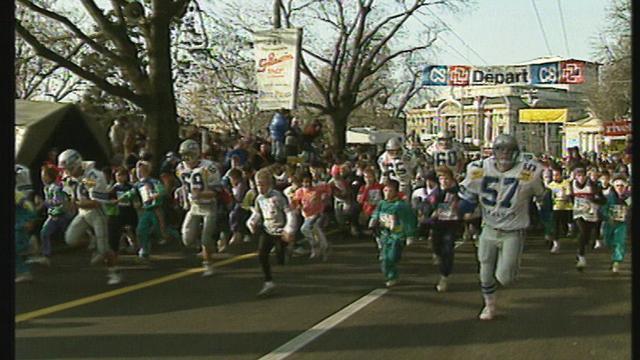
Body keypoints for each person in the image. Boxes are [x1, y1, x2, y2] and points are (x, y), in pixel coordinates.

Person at [458, 134, 546, 320]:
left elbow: (541, 197)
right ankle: (489, 306)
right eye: (500, 149)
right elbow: (468, 197)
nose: (504, 154)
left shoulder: (530, 171)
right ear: (494, 151)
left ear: (516, 153)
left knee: (505, 277)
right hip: (488, 228)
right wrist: (464, 209)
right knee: (485, 272)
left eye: (509, 150)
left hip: (513, 231)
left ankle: (509, 270)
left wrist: (541, 214)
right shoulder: (479, 168)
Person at [58, 149, 122, 285]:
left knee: (104, 249)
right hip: (83, 213)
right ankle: (93, 241)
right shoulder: (70, 178)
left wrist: (74, 203)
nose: (67, 172)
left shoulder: (91, 176)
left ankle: (114, 272)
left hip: (98, 213)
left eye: (69, 168)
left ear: (77, 165)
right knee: (70, 239)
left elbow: (95, 202)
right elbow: (70, 195)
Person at [246, 168, 298, 297]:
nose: (260, 188)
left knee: (280, 258)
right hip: (268, 230)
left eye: (262, 185)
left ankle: (288, 248)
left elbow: (289, 213)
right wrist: (251, 222)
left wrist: (289, 229)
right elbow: (258, 213)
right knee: (262, 254)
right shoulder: (259, 199)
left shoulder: (278, 197)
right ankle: (268, 281)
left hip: (280, 231)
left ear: (269, 184)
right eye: (258, 185)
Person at [175, 139, 223, 276]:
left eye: (189, 154)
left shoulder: (209, 167)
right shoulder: (180, 168)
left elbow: (217, 191)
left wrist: (201, 193)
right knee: (187, 239)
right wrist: (184, 197)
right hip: (194, 206)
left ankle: (208, 264)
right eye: (184, 154)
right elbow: (185, 186)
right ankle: (207, 245)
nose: (186, 158)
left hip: (208, 205)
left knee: (206, 239)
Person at [368, 179, 417, 287]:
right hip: (385, 234)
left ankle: (392, 269)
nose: (387, 193)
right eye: (385, 190)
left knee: (393, 256)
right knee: (385, 258)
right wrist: (373, 220)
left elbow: (409, 221)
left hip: (397, 235)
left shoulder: (400, 205)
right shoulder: (382, 203)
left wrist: (410, 235)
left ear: (395, 191)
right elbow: (377, 213)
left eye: (390, 191)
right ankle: (391, 276)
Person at [430, 166, 463, 292]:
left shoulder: (458, 191)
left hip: (452, 223)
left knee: (448, 249)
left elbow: (466, 201)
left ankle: (444, 276)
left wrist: (461, 208)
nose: (444, 181)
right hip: (438, 223)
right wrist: (430, 211)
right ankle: (437, 254)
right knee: (436, 246)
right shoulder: (437, 191)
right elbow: (428, 203)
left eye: (446, 178)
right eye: (441, 178)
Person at [571, 167, 605, 271]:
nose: (580, 178)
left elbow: (603, 200)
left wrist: (593, 199)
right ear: (575, 177)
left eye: (582, 175)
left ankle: (580, 252)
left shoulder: (593, 186)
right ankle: (582, 257)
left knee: (586, 236)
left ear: (586, 176)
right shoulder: (571, 184)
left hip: (591, 214)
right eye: (578, 176)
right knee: (582, 232)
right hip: (578, 213)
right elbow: (570, 197)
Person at [600, 174, 631, 273]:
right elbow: (602, 209)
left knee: (619, 242)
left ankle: (616, 262)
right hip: (609, 223)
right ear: (614, 186)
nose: (620, 188)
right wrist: (607, 217)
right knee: (608, 242)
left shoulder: (628, 197)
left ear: (625, 186)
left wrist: (628, 214)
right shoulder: (608, 197)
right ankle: (613, 257)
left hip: (622, 224)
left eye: (622, 186)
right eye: (618, 186)